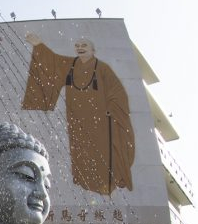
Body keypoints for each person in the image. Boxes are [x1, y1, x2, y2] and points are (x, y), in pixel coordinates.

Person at [22, 33, 135, 197]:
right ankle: (85, 181)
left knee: (101, 150)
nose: (80, 48)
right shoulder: (70, 65)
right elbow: (52, 63)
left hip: (101, 121)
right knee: (81, 150)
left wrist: (112, 109)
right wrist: (39, 45)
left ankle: (104, 184)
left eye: (84, 46)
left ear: (93, 50)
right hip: (77, 119)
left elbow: (118, 93)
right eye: (78, 46)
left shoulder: (103, 68)